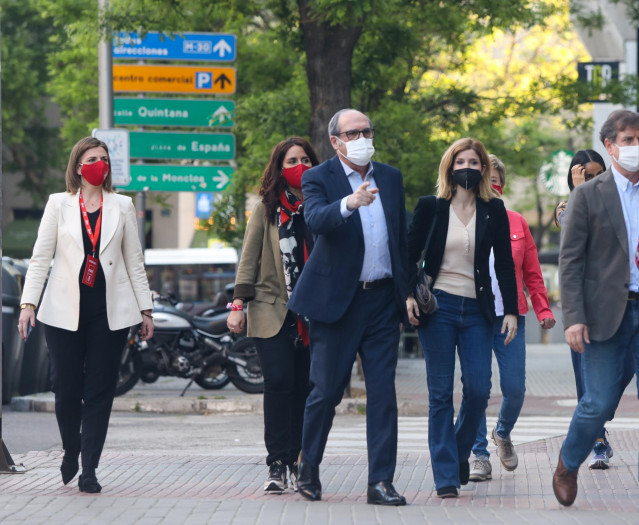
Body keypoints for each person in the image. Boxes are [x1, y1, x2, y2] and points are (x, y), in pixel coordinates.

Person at [17, 136, 154, 493]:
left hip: (109, 312)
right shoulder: (58, 204)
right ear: (78, 165)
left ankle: (89, 467)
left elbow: (134, 261)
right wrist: (28, 305)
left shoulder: (121, 206)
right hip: (63, 311)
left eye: (105, 158)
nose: (100, 164)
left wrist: (146, 309)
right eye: (93, 158)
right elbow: (40, 257)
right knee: (65, 388)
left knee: (99, 390)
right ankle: (71, 447)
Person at [287, 109, 408, 506]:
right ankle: (308, 468)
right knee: (326, 392)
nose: (362, 137)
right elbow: (316, 221)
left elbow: (399, 239)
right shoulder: (318, 177)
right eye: (353, 132)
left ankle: (380, 482)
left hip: (382, 302)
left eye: (367, 130)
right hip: (338, 302)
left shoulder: (389, 177)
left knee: (383, 395)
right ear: (336, 141)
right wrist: (350, 202)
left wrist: (407, 293)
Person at [406, 138, 518, 499]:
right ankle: (445, 476)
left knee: (478, 390)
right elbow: (407, 254)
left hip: (478, 311)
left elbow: (503, 263)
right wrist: (408, 294)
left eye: (473, 161)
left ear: (483, 168)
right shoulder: (431, 207)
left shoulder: (493, 210)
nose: (466, 167)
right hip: (438, 307)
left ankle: (454, 454)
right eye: (460, 162)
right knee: (440, 394)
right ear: (449, 168)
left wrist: (512, 310)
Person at [553, 109, 639, 507]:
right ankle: (569, 463)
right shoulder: (588, 195)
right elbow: (570, 262)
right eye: (629, 140)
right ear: (609, 145)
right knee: (598, 401)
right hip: (606, 315)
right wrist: (574, 318)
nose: (636, 147)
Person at [227, 137, 319, 493]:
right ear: (280, 168)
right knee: (278, 383)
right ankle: (277, 463)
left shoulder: (322, 206)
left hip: (313, 313)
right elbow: (248, 258)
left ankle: (298, 459)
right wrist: (238, 305)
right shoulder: (266, 209)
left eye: (306, 159)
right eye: (293, 160)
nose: (300, 166)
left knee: (305, 388)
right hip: (270, 308)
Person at [469, 154, 556, 482]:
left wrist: (544, 310)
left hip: (511, 315)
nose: (491, 187)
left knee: (515, 388)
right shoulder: (463, 219)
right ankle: (479, 456)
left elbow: (532, 273)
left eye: (495, 181)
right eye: (485, 181)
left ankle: (502, 433)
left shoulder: (517, 222)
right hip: (474, 315)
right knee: (477, 388)